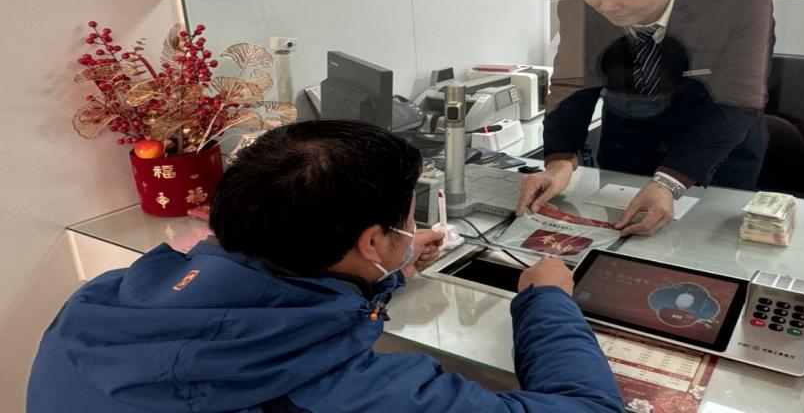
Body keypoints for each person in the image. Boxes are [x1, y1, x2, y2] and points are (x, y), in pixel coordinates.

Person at [28, 120, 624, 413]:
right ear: (373, 240)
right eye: (407, 217)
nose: (412, 226)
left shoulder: (97, 302)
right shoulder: (348, 394)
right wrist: (548, 300)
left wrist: (387, 274)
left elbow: (263, 304)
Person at [520, 0, 774, 236]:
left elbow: (738, 101)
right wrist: (559, 161)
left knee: (706, 246)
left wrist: (670, 181)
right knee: (618, 242)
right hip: (627, 146)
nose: (608, 5)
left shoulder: (740, 4)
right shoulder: (578, 8)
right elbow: (573, 87)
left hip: (715, 151)